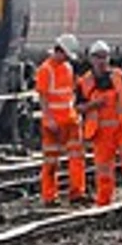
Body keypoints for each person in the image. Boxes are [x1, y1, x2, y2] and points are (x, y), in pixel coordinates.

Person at [78, 40, 122, 206]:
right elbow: (77, 107)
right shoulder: (84, 82)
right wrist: (92, 105)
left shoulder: (119, 76)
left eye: (104, 57)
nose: (101, 61)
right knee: (103, 169)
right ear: (91, 59)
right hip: (101, 133)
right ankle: (104, 201)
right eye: (98, 57)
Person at [35, 33, 87, 204]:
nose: (67, 59)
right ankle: (49, 196)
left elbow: (69, 94)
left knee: (77, 158)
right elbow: (43, 97)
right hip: (53, 123)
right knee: (51, 162)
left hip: (70, 120)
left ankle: (77, 193)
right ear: (59, 51)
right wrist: (48, 119)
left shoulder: (67, 68)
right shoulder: (45, 70)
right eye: (65, 55)